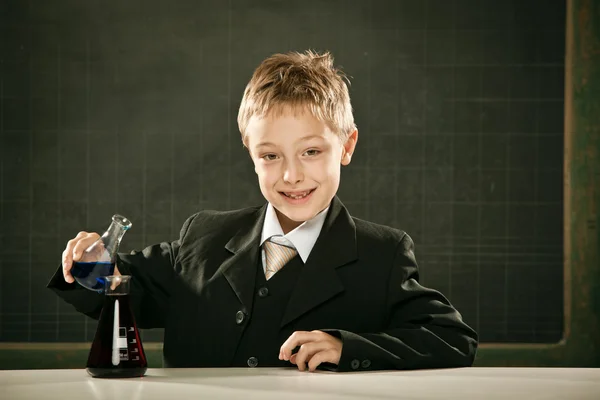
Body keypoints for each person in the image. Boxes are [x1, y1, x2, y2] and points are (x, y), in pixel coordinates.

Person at [48, 50, 478, 372]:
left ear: (346, 147)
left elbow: (452, 339)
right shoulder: (204, 236)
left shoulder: (381, 254)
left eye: (311, 151)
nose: (291, 175)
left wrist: (349, 348)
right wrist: (92, 266)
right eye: (270, 156)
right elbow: (124, 287)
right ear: (250, 153)